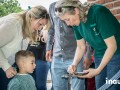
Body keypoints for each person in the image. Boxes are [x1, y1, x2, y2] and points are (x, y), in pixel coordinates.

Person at [55, 0, 120, 89]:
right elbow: (81, 46)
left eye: (67, 19)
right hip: (99, 55)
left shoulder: (98, 12)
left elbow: (112, 46)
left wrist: (97, 70)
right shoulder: (76, 23)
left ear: (76, 10)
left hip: (116, 54)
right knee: (100, 87)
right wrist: (74, 64)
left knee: (112, 86)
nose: (68, 24)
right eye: (64, 21)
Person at [0, 5, 49, 90]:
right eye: (40, 24)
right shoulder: (13, 24)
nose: (40, 28)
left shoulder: (27, 28)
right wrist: (6, 66)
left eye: (42, 26)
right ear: (32, 18)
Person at [46, 2, 85, 90]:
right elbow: (52, 29)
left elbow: (85, 31)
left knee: (78, 88)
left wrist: (88, 55)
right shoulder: (52, 7)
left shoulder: (74, 5)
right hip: (57, 57)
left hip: (75, 56)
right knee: (58, 87)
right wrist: (48, 48)